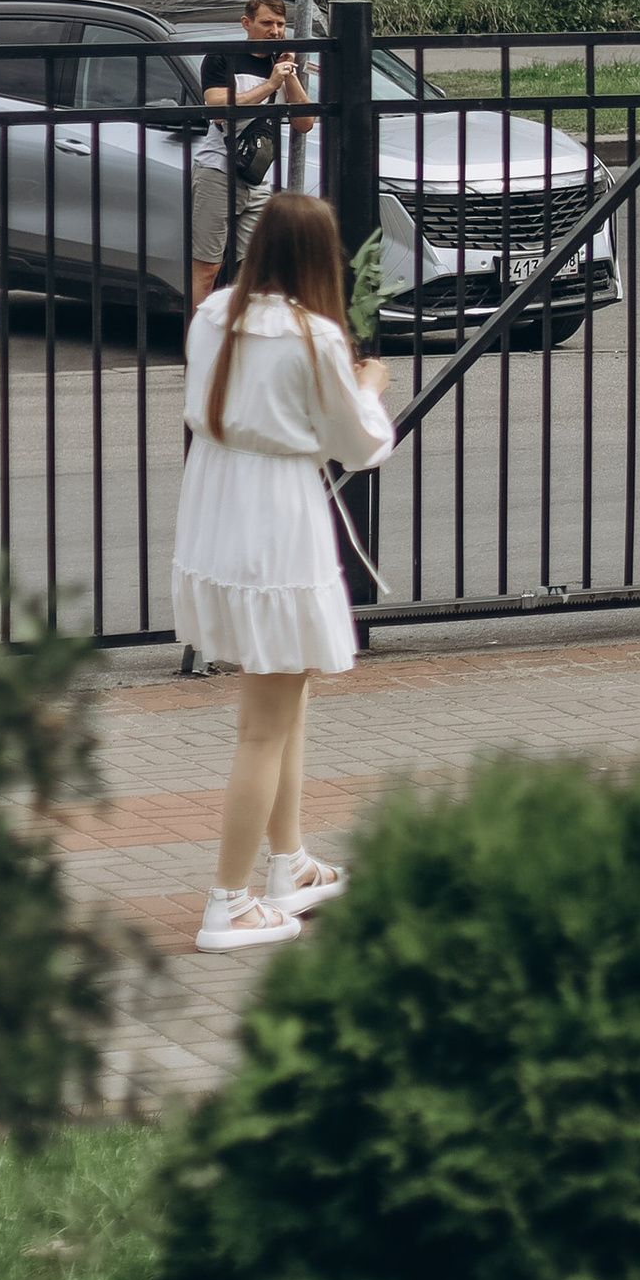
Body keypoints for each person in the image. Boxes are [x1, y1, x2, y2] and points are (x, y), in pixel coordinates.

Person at [175, 192, 399, 954]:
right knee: (263, 726)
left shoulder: (215, 315)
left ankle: (290, 863)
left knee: (285, 690)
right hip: (276, 519)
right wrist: (371, 387)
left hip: (216, 506)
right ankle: (228, 903)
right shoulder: (312, 337)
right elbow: (359, 442)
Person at [188, 0, 311, 313]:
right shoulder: (222, 57)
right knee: (208, 268)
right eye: (267, 23)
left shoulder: (281, 66)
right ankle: (198, 349)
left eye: (281, 25)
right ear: (247, 22)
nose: (275, 31)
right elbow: (216, 107)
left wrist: (289, 74)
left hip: (258, 180)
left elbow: (305, 123)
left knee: (251, 272)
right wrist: (269, 85)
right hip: (218, 172)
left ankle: (236, 342)